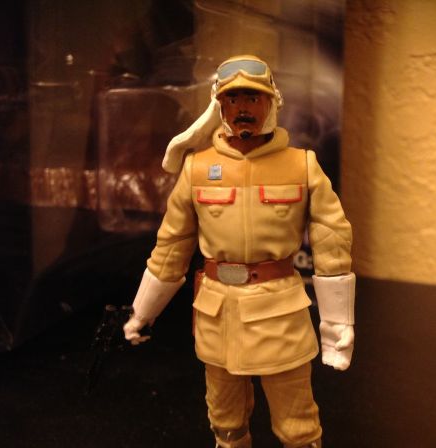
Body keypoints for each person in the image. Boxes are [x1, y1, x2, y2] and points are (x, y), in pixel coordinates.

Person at [123, 55, 355, 448]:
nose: (242, 107)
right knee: (225, 422)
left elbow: (333, 240)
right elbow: (172, 245)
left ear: (271, 103)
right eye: (232, 99)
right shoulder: (198, 169)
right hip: (218, 318)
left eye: (252, 97)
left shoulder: (301, 166)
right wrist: (141, 312)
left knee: (297, 425)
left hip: (279, 316)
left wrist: (337, 324)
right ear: (220, 105)